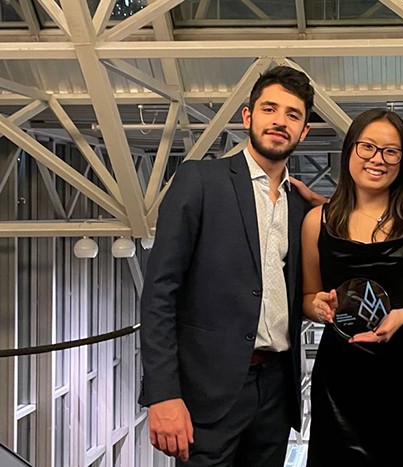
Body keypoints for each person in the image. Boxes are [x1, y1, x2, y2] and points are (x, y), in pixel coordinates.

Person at [139, 65, 315, 467]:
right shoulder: (200, 180)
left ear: (303, 132)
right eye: (270, 109)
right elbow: (159, 293)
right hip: (207, 392)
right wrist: (163, 394)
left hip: (275, 391)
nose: (280, 121)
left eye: (293, 115)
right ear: (248, 116)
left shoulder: (300, 205)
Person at [301, 109, 403, 467]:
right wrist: (317, 307)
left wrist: (401, 317)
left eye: (391, 151)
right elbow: (307, 297)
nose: (377, 159)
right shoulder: (317, 221)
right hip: (340, 378)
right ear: (349, 150)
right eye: (367, 147)